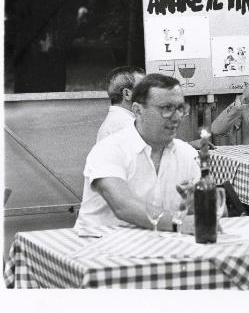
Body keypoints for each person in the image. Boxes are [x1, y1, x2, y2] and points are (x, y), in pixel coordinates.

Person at [75, 74, 200, 231]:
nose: (177, 117)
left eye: (180, 108)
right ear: (138, 110)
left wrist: (204, 205)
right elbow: (124, 207)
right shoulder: (109, 149)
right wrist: (178, 223)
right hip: (99, 247)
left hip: (158, 244)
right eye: (167, 108)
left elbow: (213, 210)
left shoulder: (186, 153)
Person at [96, 66, 146, 142]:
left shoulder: (120, 121)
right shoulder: (126, 125)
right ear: (127, 94)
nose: (149, 93)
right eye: (144, 88)